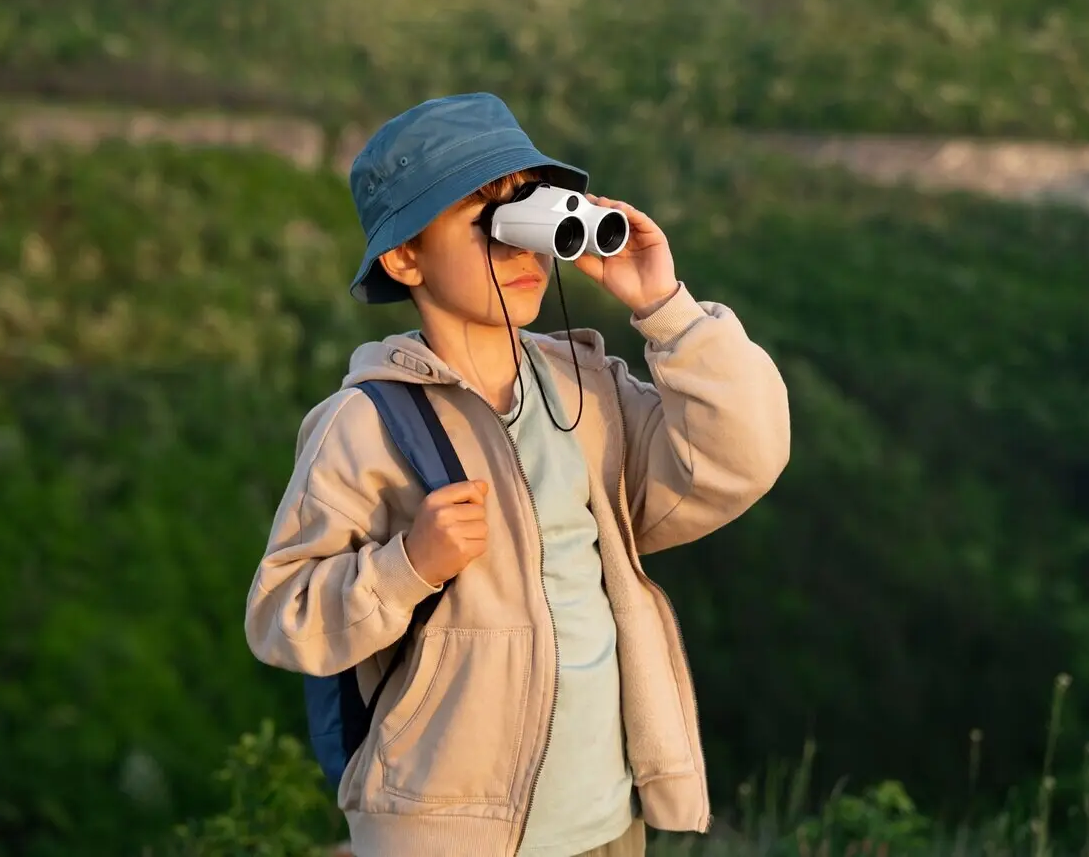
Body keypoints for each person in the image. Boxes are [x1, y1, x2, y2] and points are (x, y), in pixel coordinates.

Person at [245, 92, 790, 857]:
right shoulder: (364, 423)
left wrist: (664, 306)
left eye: (529, 211)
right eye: (488, 221)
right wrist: (408, 566)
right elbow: (283, 617)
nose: (521, 247)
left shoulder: (585, 389)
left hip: (608, 824)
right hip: (449, 834)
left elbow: (743, 456)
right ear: (405, 258)